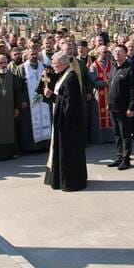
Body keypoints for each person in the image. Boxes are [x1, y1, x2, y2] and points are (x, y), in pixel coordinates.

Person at [43, 52, 87, 191]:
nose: (53, 67)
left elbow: (70, 103)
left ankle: (70, 181)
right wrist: (52, 96)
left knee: (68, 153)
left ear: (63, 63)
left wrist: (53, 96)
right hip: (61, 118)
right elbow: (61, 97)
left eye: (55, 64)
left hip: (68, 123)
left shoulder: (71, 77)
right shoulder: (63, 75)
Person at [107, 44, 134, 170]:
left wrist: (131, 108)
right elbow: (111, 87)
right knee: (116, 134)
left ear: (125, 54)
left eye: (119, 52)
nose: (116, 54)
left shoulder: (130, 69)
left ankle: (126, 159)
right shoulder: (114, 68)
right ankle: (119, 156)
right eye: (115, 52)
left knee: (125, 134)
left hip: (124, 108)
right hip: (113, 107)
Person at [15, 47, 52, 153]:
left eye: (36, 54)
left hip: (43, 100)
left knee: (46, 120)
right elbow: (18, 88)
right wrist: (22, 101)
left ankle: (45, 145)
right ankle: (30, 148)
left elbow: (48, 83)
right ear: (27, 55)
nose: (34, 56)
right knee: (29, 124)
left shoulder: (44, 68)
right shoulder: (21, 69)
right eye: (32, 54)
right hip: (28, 102)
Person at [0, 54, 22, 160]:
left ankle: (12, 153)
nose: (3, 65)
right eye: (0, 63)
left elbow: (17, 93)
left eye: (4, 62)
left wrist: (16, 108)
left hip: (10, 109)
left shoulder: (12, 76)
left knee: (11, 131)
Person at [88, 45, 115, 144]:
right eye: (104, 52)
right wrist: (106, 82)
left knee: (110, 114)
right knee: (97, 116)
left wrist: (110, 82)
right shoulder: (93, 66)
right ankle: (98, 138)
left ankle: (111, 137)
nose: (106, 54)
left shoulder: (111, 64)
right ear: (98, 53)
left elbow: (114, 77)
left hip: (109, 93)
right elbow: (93, 80)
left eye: (107, 52)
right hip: (98, 95)